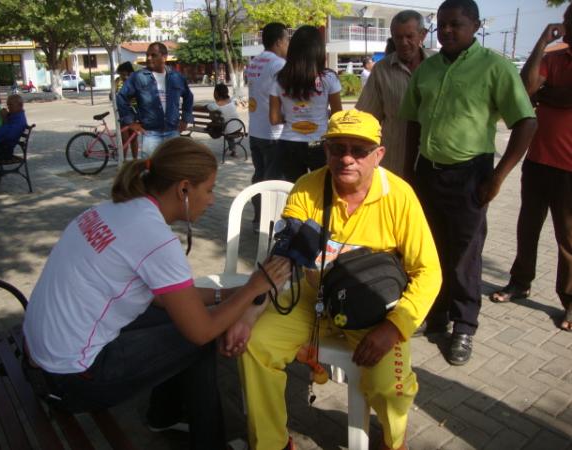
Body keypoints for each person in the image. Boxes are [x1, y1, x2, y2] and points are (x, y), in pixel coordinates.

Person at [22, 137, 291, 450]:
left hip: (40, 362)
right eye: (209, 189)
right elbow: (201, 332)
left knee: (178, 326)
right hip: (71, 381)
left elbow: (166, 297)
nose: (213, 200)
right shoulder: (155, 239)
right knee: (197, 344)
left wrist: (230, 294)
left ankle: (164, 414)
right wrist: (254, 287)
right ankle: (209, 442)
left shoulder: (111, 210)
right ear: (184, 189)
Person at [222, 110, 442, 450]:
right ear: (325, 151)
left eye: (360, 149)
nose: (347, 158)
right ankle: (273, 443)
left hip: (374, 313)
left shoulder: (400, 197)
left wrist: (394, 327)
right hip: (313, 298)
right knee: (256, 344)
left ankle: (393, 442)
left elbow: (428, 272)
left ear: (378, 155)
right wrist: (248, 314)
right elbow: (285, 259)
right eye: (337, 148)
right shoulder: (308, 188)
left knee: (390, 387)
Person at [399, 0, 537, 365]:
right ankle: (436, 314)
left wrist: (497, 177)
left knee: (464, 254)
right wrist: (410, 171)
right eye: (441, 24)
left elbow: (526, 122)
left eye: (455, 24)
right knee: (431, 248)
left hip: (470, 174)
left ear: (475, 25)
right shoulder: (426, 70)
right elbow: (413, 121)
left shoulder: (495, 67)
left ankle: (464, 327)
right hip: (427, 171)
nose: (446, 31)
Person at [490, 4, 572, 332]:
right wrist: (542, 41)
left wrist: (547, 96)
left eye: (569, 21)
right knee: (527, 227)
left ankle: (569, 300)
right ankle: (519, 283)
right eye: (564, 20)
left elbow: (557, 96)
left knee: (567, 237)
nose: (564, 26)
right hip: (538, 160)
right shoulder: (553, 57)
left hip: (569, 168)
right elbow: (526, 89)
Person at [356, 10, 431, 178]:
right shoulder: (381, 71)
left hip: (433, 167)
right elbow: (366, 117)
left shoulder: (438, 67)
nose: (403, 42)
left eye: (409, 36)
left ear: (423, 35)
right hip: (393, 165)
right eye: (398, 37)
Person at [270, 25, 342, 182]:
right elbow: (338, 117)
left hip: (288, 145)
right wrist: (324, 114)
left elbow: (274, 119)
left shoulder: (279, 79)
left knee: (294, 193)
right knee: (323, 193)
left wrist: (291, 116)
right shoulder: (329, 78)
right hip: (320, 145)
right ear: (319, 50)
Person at [245, 22, 289, 227]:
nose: (288, 44)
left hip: (255, 131)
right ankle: (270, 224)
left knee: (259, 178)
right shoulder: (279, 65)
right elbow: (285, 97)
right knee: (273, 182)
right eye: (287, 40)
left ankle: (258, 220)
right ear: (279, 41)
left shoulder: (254, 63)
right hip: (274, 133)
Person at [117, 42, 194, 158]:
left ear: (164, 57)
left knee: (173, 169)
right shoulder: (138, 77)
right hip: (150, 134)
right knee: (151, 169)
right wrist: (130, 122)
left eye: (153, 55)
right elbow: (121, 97)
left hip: (173, 131)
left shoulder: (176, 77)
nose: (148, 58)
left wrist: (185, 119)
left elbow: (188, 96)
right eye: (147, 55)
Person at [206, 83, 242, 157]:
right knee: (227, 126)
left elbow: (208, 106)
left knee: (221, 126)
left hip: (228, 129)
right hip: (239, 126)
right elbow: (234, 99)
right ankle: (233, 150)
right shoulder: (232, 101)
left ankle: (233, 149)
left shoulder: (214, 106)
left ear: (216, 93)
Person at [114, 61, 139, 160]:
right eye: (122, 74)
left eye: (126, 74)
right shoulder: (117, 81)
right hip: (123, 113)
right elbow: (111, 95)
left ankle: (135, 159)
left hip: (134, 112)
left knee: (134, 138)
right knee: (124, 139)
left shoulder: (135, 82)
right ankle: (123, 160)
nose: (124, 76)